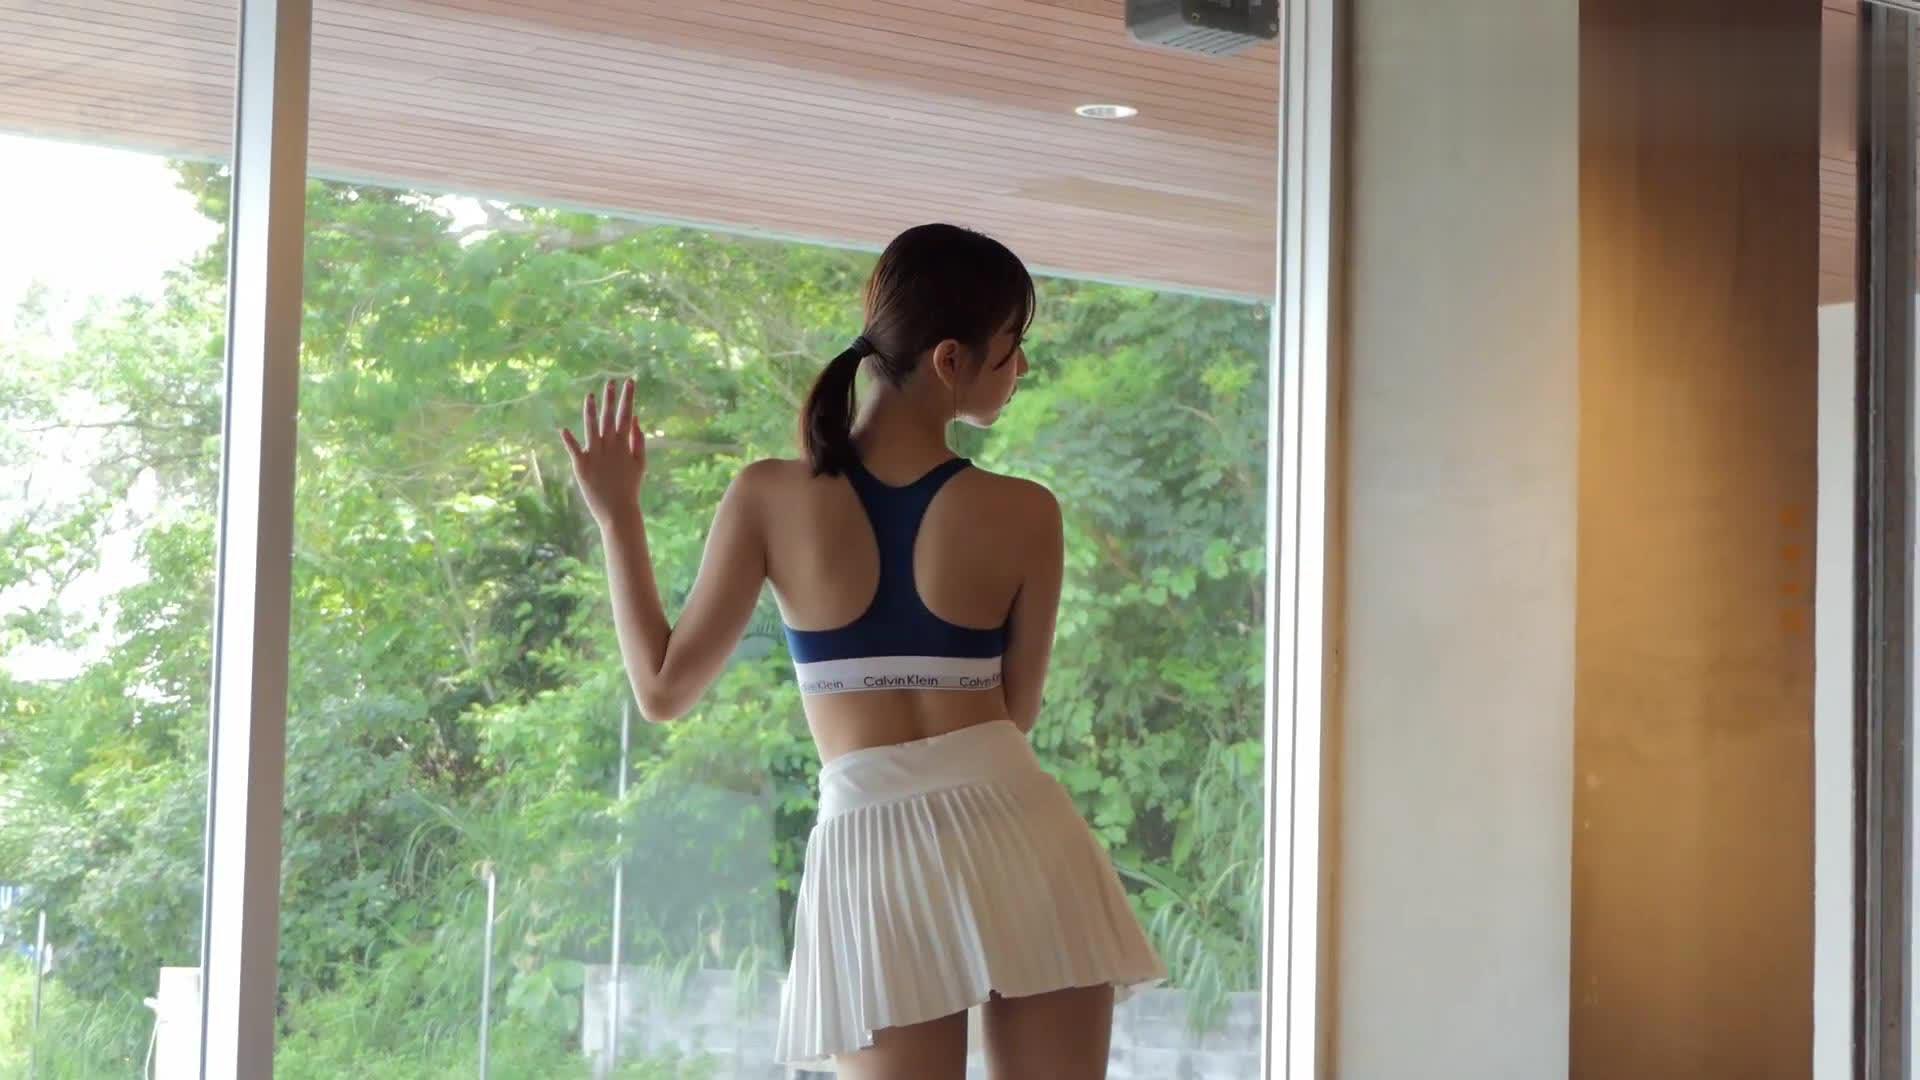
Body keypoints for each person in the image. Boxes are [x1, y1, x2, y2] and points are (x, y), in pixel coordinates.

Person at [560, 223, 1164, 1079]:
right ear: (950, 359)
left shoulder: (767, 495)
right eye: (1011, 345)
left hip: (872, 849)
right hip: (1021, 834)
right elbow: (1015, 715)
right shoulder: (1028, 511)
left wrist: (618, 514)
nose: (1022, 367)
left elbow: (661, 691)